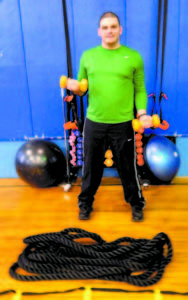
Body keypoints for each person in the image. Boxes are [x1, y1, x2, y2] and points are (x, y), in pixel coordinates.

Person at [66, 12, 152, 221]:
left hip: (123, 124)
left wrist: (141, 114)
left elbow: (139, 89)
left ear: (120, 29)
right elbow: (82, 89)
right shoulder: (88, 56)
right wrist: (75, 88)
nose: (109, 30)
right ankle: (85, 204)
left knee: (127, 168)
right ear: (99, 31)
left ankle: (136, 204)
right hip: (94, 122)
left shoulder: (133, 57)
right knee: (90, 169)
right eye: (105, 27)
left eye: (113, 26)